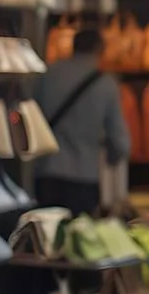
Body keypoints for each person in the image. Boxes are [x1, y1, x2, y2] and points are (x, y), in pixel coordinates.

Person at [34, 28, 129, 215]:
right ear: (99, 49)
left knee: (47, 234)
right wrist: (112, 158)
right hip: (84, 175)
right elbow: (120, 142)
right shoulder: (106, 84)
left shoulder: (48, 75)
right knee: (78, 236)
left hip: (48, 172)